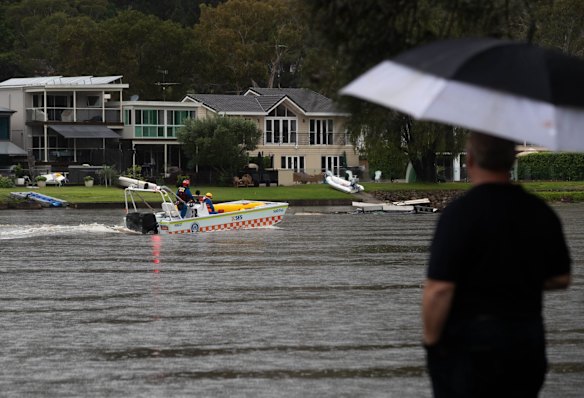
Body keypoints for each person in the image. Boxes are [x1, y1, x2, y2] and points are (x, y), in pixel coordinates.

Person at [422, 132, 571, 398]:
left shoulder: (459, 215)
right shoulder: (539, 211)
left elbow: (439, 290)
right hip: (526, 341)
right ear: (512, 160)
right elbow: (562, 278)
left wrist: (431, 343)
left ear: (469, 160)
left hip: (473, 344)